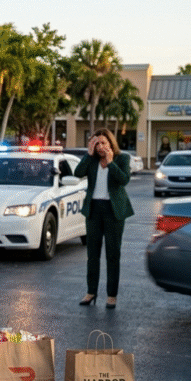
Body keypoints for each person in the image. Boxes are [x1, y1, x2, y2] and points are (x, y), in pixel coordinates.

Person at [73, 128, 134, 309]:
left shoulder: (122, 158)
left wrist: (110, 162)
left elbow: (124, 180)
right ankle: (91, 292)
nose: (100, 147)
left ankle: (111, 295)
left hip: (113, 210)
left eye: (103, 143)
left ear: (111, 144)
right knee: (93, 254)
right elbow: (77, 173)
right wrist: (88, 154)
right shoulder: (91, 160)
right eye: (97, 143)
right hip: (94, 210)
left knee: (113, 254)